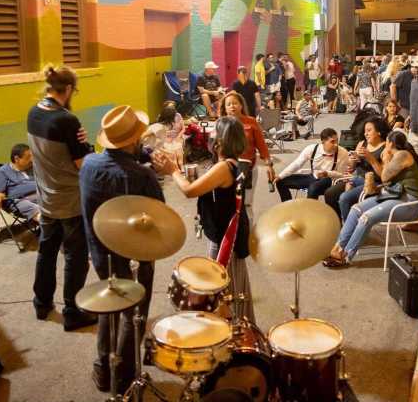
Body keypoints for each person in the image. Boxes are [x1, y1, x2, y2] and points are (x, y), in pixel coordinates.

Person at [79, 105, 161, 393]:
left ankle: (103, 368)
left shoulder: (88, 164)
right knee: (132, 313)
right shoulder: (142, 176)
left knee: (108, 304)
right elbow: (160, 218)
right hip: (136, 255)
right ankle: (123, 377)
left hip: (100, 251)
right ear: (132, 140)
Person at [153, 117, 255, 321]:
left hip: (226, 238)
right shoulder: (233, 163)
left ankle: (233, 333)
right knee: (228, 286)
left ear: (221, 141)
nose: (210, 134)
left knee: (223, 289)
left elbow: (190, 191)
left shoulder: (224, 167)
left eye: (214, 131)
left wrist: (173, 170)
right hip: (228, 232)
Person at [27, 65, 96, 331]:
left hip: (46, 198)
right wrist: (87, 146)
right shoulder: (66, 120)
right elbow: (82, 164)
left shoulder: (33, 113)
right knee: (75, 257)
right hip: (69, 200)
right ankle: (72, 311)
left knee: (46, 251)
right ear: (67, 89)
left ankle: (42, 303)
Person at [323, 130, 418, 268]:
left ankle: (346, 256)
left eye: (386, 144)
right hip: (395, 195)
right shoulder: (398, 156)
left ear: (390, 144)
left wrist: (384, 159)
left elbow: (384, 176)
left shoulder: (403, 155)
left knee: (366, 217)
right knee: (356, 209)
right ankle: (337, 248)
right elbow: (387, 181)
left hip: (410, 203)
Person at [218, 92, 275, 219]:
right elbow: (218, 150)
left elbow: (262, 147)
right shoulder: (221, 123)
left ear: (241, 105)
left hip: (249, 169)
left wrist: (269, 164)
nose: (232, 106)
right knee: (230, 203)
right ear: (225, 108)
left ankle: (247, 233)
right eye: (229, 104)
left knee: (246, 203)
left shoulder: (251, 122)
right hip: (228, 170)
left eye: (235, 103)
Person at [323, 116, 389, 220]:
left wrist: (371, 158)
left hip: (373, 183)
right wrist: (353, 160)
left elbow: (383, 175)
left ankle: (349, 225)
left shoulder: (385, 148)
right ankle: (337, 223)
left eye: (369, 130)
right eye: (365, 131)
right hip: (355, 179)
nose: (365, 134)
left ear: (379, 132)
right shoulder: (362, 143)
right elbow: (352, 167)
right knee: (330, 193)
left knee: (345, 198)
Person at [274, 127, 349, 202]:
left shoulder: (343, 152)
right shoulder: (312, 149)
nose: (336, 144)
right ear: (323, 141)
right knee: (281, 182)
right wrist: (280, 176)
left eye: (337, 141)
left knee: (313, 187)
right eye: (332, 142)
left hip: (330, 180)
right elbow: (297, 164)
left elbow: (341, 175)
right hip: (313, 177)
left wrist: (327, 173)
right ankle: (287, 207)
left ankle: (310, 211)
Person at [0, 144, 40, 222]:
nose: (32, 159)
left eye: (32, 156)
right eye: (28, 157)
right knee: (29, 206)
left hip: (39, 196)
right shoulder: (3, 172)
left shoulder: (34, 167)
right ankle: (49, 227)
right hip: (20, 201)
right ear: (17, 159)